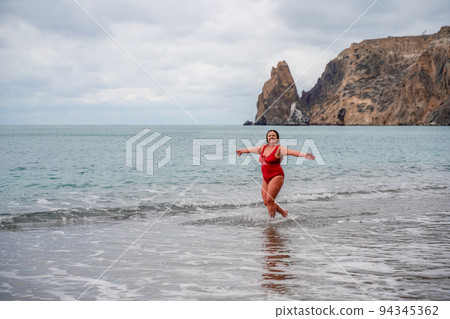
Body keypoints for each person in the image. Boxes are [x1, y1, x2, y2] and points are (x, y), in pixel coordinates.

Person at [236, 130, 315, 218]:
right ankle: (283, 213)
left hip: (276, 176)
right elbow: (252, 149)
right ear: (267, 138)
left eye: (273, 135)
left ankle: (271, 222)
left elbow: (292, 152)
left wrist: (304, 155)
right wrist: (242, 150)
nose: (271, 137)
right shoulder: (263, 148)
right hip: (265, 178)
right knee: (266, 202)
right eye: (269, 136)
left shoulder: (279, 149)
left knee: (270, 200)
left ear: (277, 138)